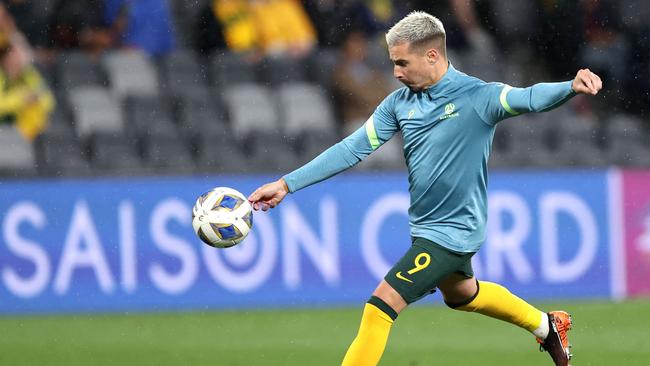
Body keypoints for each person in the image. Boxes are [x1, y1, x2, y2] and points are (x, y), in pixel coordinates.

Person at [248, 11, 602, 366]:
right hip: (426, 230)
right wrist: (286, 184)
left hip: (453, 233)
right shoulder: (398, 104)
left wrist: (569, 87)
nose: (396, 73)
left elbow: (528, 97)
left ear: (432, 55)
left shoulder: (477, 97)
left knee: (379, 309)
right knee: (464, 295)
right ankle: (547, 325)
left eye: (402, 63)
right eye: (393, 63)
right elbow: (351, 148)